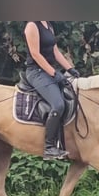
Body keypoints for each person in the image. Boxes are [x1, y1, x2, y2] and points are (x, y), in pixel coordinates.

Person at [24, 21, 80, 160]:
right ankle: (49, 147)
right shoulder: (32, 25)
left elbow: (55, 51)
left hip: (48, 71)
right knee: (58, 104)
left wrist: (69, 68)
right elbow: (35, 54)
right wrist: (54, 73)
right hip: (36, 72)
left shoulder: (48, 25)